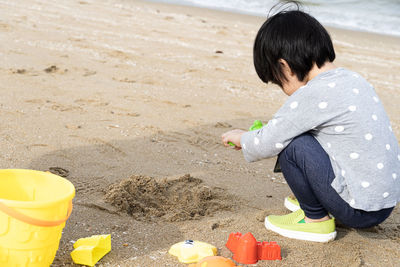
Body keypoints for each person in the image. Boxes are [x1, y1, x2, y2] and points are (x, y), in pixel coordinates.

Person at [221, 4, 400, 242]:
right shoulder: (354, 79)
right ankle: (319, 198)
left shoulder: (314, 94)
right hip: (384, 203)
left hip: (358, 210)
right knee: (313, 136)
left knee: (292, 146)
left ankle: (315, 220)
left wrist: (243, 138)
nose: (283, 91)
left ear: (284, 65)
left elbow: (271, 139)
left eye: (277, 81)